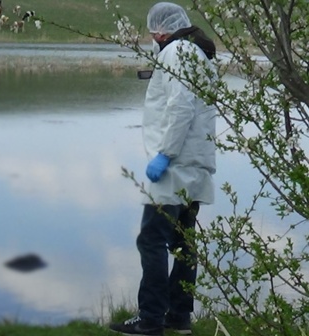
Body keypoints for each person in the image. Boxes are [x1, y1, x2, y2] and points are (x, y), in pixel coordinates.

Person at [109, 2, 217, 336]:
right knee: (183, 244)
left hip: (175, 166)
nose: (153, 37)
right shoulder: (198, 54)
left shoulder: (174, 53)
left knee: (152, 240)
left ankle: (151, 319)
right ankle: (179, 317)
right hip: (196, 166)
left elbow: (180, 107)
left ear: (159, 31)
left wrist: (164, 155)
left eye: (153, 32)